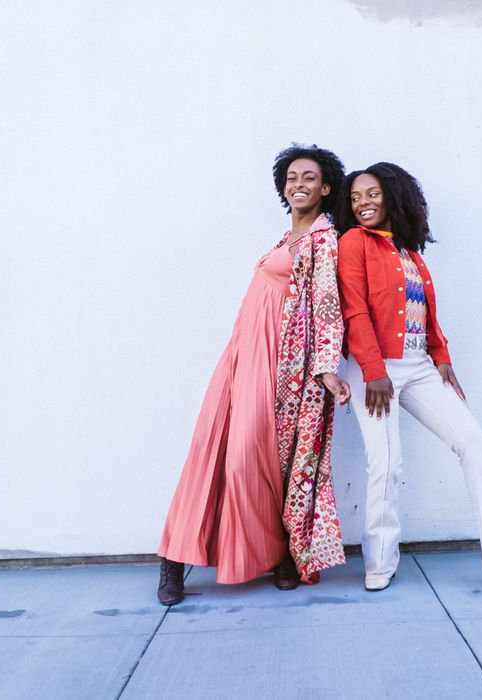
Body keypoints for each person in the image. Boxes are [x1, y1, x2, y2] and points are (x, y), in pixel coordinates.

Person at [335, 162, 482, 593]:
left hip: (418, 368)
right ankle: (379, 564)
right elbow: (354, 308)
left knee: (475, 445)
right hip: (373, 370)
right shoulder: (353, 242)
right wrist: (374, 371)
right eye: (356, 197)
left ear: (394, 195)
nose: (363, 203)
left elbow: (425, 314)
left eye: (372, 193)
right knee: (386, 463)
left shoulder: (410, 252)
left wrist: (441, 355)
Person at [156, 144, 351, 606]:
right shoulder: (285, 240)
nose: (298, 184)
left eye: (309, 178)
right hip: (243, 355)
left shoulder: (324, 240)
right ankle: (173, 559)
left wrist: (326, 368)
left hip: (280, 364)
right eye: (291, 177)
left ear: (325, 189)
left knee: (252, 458)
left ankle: (276, 553)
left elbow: (327, 306)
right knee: (211, 449)